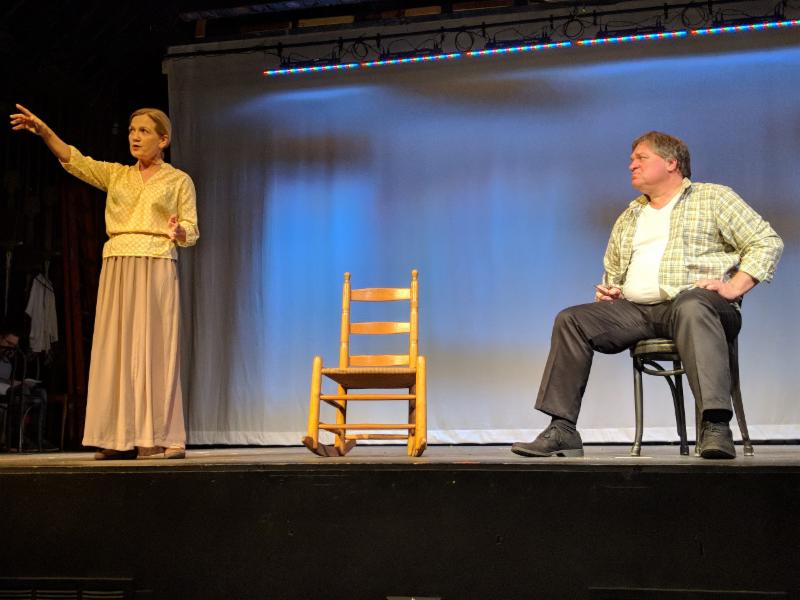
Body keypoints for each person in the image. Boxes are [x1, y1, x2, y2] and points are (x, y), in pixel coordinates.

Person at [512, 131, 783, 460]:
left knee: (691, 303)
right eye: (631, 160)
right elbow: (613, 273)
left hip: (704, 308)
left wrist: (734, 286)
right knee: (572, 320)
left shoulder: (713, 198)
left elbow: (766, 241)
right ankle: (562, 429)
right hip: (639, 312)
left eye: (641, 158)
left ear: (671, 163)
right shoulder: (630, 216)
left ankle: (714, 425)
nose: (631, 165)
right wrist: (612, 291)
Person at [10, 103, 199, 460]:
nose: (135, 137)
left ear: (163, 140)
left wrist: (178, 232)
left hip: (156, 262)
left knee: (154, 349)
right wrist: (45, 132)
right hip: (117, 262)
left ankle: (161, 436)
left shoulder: (178, 180)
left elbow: (192, 229)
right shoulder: (117, 175)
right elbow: (76, 161)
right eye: (131, 131)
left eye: (144, 131)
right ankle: (117, 436)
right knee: (115, 349)